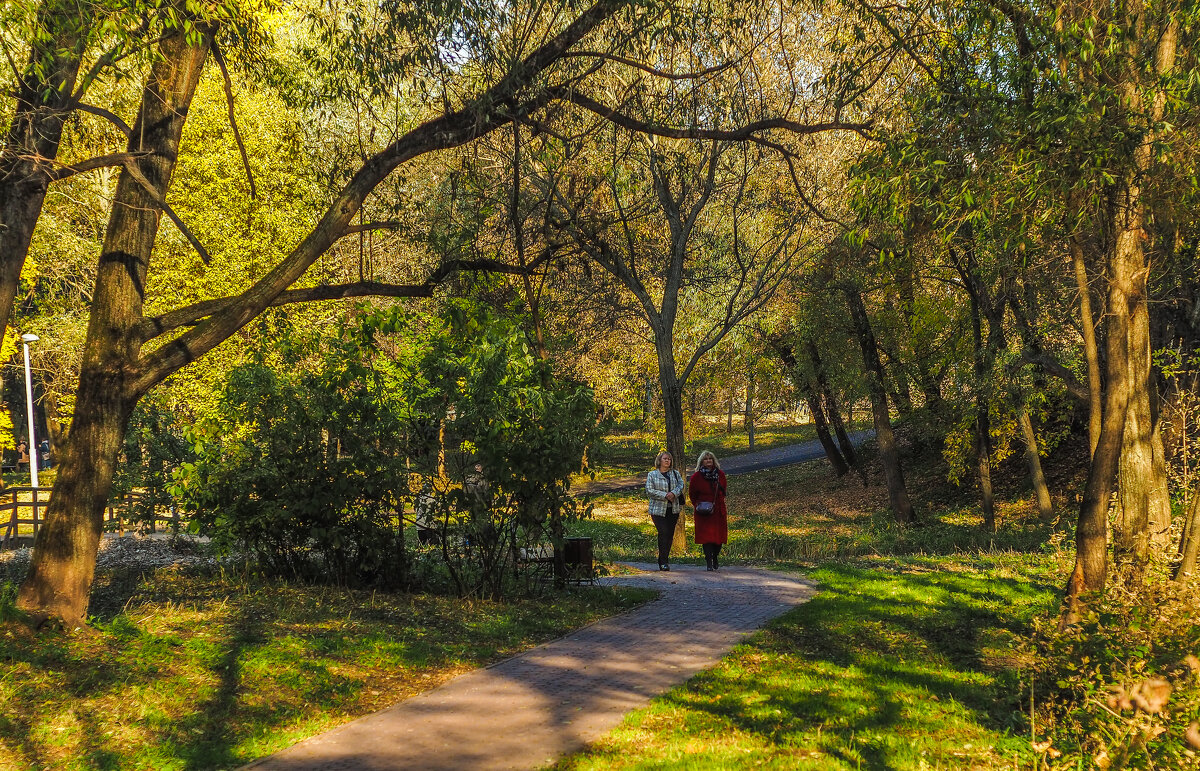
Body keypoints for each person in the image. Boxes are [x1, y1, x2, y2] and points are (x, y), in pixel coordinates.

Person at [688, 450, 728, 571]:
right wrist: (699, 505)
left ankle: (715, 556)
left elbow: (723, 491)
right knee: (706, 538)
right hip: (703, 511)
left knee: (718, 538)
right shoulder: (696, 477)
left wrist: (716, 503)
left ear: (714, 460)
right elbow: (692, 494)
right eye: (706, 459)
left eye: (710, 459)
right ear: (702, 462)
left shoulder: (720, 475)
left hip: (718, 509)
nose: (708, 461)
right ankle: (708, 562)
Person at [645, 451, 685, 571]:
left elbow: (681, 485)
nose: (667, 461)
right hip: (658, 510)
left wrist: (673, 493)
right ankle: (663, 561)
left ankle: (664, 559)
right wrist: (665, 495)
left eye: (669, 459)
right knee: (663, 532)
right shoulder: (652, 474)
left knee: (669, 534)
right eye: (665, 459)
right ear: (660, 461)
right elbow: (649, 490)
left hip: (672, 509)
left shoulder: (675, 474)